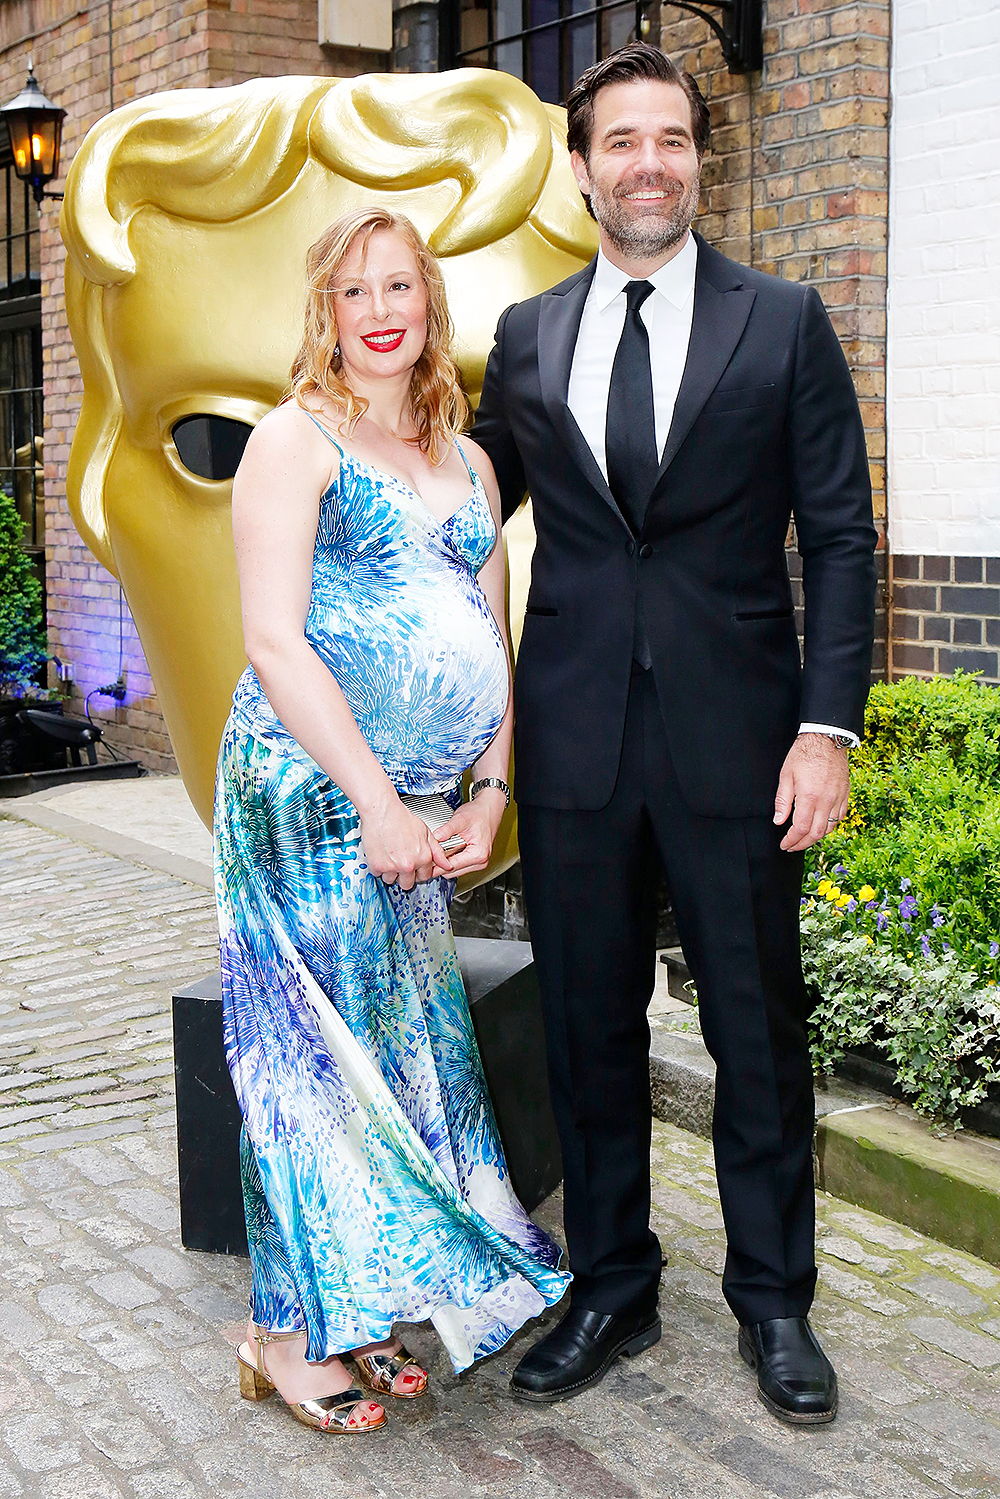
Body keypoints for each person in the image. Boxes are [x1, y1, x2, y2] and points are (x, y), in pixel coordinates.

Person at [472, 44, 876, 1426]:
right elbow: (460, 506)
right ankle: (614, 1280)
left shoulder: (784, 321)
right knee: (588, 1028)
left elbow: (838, 533)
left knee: (758, 1031)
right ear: (579, 169)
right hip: (576, 743)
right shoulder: (527, 337)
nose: (650, 162)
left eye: (673, 140)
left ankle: (774, 1298)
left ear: (702, 161)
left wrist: (826, 726)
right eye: (622, 141)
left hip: (738, 743)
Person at [214, 206, 570, 1436]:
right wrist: (374, 799)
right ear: (326, 307)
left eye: (400, 288)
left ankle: (353, 1312)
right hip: (309, 796)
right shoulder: (292, 440)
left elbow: (491, 638)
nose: (379, 310)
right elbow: (271, 638)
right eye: (355, 290)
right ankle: (281, 1334)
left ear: (428, 307)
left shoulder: (468, 460)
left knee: (393, 1058)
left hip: (421, 812)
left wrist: (489, 789)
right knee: (310, 1070)